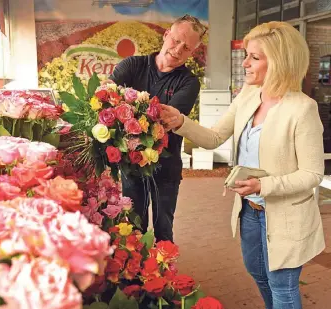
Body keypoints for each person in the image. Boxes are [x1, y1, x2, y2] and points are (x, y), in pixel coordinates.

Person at [160, 21, 325, 309]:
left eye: (254, 57)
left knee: (283, 287)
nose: (245, 63)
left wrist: (265, 185)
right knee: (259, 274)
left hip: (285, 215)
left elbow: (312, 174)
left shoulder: (302, 108)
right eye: (246, 55)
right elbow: (214, 138)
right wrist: (180, 122)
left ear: (281, 62)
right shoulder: (249, 95)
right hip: (249, 210)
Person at [106, 14, 207, 242]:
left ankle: (163, 275)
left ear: (191, 53)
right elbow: (106, 97)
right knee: (133, 225)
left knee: (163, 228)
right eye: (177, 40)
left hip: (166, 166)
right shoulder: (133, 65)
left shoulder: (188, 82)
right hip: (131, 163)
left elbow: (162, 120)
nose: (179, 49)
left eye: (187, 47)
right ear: (166, 35)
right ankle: (133, 274)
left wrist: (126, 106)